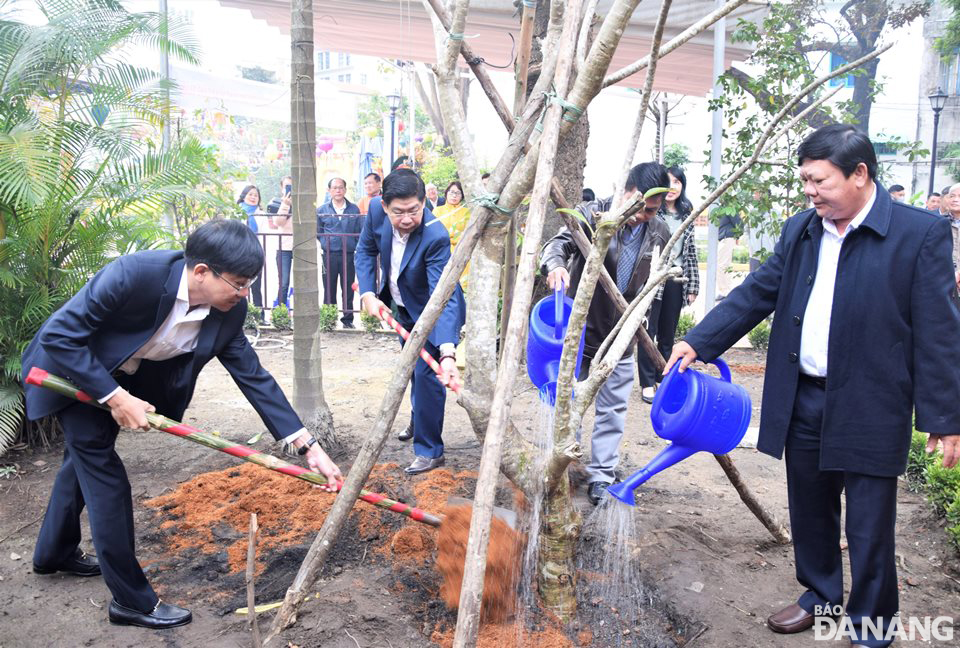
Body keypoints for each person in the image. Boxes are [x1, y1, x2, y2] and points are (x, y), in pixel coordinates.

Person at [664, 124, 960, 647]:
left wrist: (945, 416)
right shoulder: (803, 229)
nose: (809, 190)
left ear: (860, 174)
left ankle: (871, 619)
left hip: (874, 399)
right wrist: (700, 341)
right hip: (805, 394)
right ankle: (820, 596)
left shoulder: (918, 234)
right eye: (805, 180)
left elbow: (939, 330)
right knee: (809, 507)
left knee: (869, 523)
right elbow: (758, 291)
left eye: (818, 180)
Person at [22, 219, 343, 630]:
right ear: (201, 272)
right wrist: (114, 397)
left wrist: (307, 445)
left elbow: (253, 376)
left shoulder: (229, 311)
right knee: (103, 471)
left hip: (121, 380)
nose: (245, 294)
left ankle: (54, 553)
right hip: (74, 374)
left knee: (80, 461)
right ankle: (131, 602)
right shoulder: (133, 275)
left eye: (250, 284)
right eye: (240, 283)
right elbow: (61, 336)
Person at [540, 162, 672, 505]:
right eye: (642, 207)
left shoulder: (658, 231)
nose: (645, 215)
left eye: (653, 211)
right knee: (568, 406)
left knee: (612, 409)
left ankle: (601, 476)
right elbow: (559, 244)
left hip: (622, 338)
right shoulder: (590, 214)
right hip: (581, 334)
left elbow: (654, 279)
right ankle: (565, 471)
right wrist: (555, 265)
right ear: (626, 191)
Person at [355, 169, 465, 475]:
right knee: (414, 370)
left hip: (431, 311)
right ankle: (420, 421)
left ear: (423, 203)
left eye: (414, 211)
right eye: (398, 212)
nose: (406, 219)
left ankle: (431, 451)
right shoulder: (376, 211)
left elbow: (443, 296)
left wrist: (447, 352)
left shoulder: (435, 235)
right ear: (385, 205)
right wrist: (367, 293)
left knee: (428, 375)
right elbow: (365, 249)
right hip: (401, 307)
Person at [636, 166, 699, 404]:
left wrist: (692, 286)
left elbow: (691, 252)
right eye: (669, 182)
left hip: (676, 280)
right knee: (647, 331)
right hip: (653, 279)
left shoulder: (687, 213)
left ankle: (663, 377)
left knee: (667, 334)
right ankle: (646, 382)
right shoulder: (652, 213)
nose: (673, 187)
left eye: (678, 182)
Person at [317, 177, 363, 328]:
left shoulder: (354, 209)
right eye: (335, 188)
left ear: (345, 190)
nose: (338, 190)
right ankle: (329, 319)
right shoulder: (322, 210)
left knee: (347, 288)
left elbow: (359, 231)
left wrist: (351, 245)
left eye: (341, 187)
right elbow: (318, 232)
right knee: (329, 288)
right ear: (329, 190)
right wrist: (326, 243)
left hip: (348, 255)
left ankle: (348, 320)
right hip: (329, 255)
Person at [266, 176, 293, 307]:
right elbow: (278, 222)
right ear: (282, 188)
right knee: (284, 282)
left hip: (301, 247)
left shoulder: (303, 202)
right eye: (287, 186)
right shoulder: (278, 203)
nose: (290, 189)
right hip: (284, 247)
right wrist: (285, 205)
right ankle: (282, 311)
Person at [237, 185, 265, 310]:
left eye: (256, 195)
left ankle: (259, 314)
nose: (253, 197)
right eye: (250, 194)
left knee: (256, 286)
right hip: (239, 253)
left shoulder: (262, 214)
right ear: (244, 196)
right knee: (239, 284)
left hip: (257, 252)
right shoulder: (235, 212)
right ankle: (241, 313)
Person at [715, 210, 742, 299]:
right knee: (723, 265)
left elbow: (738, 223)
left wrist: (737, 236)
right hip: (724, 238)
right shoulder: (720, 207)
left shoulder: (729, 207)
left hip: (727, 237)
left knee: (722, 265)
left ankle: (725, 292)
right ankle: (725, 291)